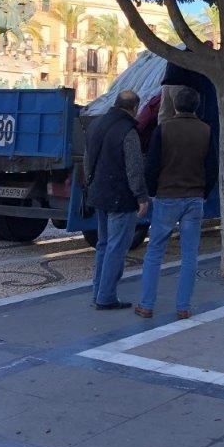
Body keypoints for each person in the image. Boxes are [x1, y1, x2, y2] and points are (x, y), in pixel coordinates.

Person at [135, 87, 218, 319]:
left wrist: (151, 191)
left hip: (166, 196)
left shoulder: (164, 129)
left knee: (155, 252)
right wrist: (203, 192)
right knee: (189, 254)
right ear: (196, 107)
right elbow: (212, 166)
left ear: (175, 106)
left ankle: (146, 304)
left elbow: (152, 164)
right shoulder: (206, 130)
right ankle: (183, 306)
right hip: (194, 198)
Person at [84, 90, 149, 310]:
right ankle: (106, 297)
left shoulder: (96, 125)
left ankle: (98, 293)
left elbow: (87, 159)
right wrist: (141, 196)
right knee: (116, 247)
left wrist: (89, 184)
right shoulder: (128, 131)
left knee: (103, 245)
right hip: (120, 197)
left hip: (98, 193)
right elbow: (134, 167)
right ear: (134, 108)